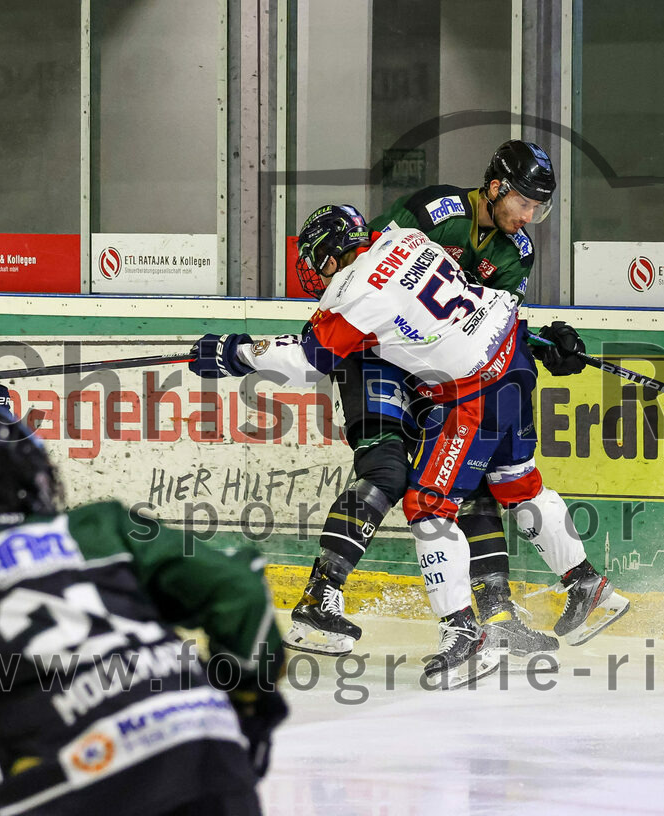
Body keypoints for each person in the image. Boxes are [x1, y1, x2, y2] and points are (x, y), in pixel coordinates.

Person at [188, 205, 630, 689]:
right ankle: (588, 584)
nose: (317, 272)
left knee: (428, 505)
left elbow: (312, 358)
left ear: (332, 254)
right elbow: (466, 304)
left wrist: (236, 354)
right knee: (517, 480)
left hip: (474, 388)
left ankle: (464, 635)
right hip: (511, 352)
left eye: (318, 259)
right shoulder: (407, 240)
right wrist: (539, 341)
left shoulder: (355, 292)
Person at [283, 141, 582, 665]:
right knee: (386, 469)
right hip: (374, 353)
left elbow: (479, 319)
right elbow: (369, 269)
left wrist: (538, 343)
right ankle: (320, 594)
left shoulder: (518, 251)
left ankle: (496, 616)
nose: (531, 216)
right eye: (525, 202)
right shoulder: (432, 210)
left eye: (540, 206)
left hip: (435, 369)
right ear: (495, 188)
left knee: (476, 473)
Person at [0, 328, 287, 815]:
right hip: (208, 753)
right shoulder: (99, 527)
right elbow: (240, 586)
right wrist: (248, 703)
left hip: (79, 784)